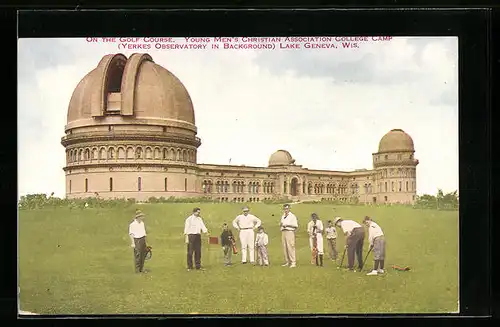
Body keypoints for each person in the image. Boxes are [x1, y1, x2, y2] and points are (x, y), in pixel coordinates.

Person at [280, 204, 298, 268]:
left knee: (290, 246)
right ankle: (287, 261)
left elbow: (295, 226)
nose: (286, 210)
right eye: (284, 209)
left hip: (289, 232)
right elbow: (281, 223)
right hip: (283, 231)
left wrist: (287, 225)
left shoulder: (292, 216)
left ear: (289, 209)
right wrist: (281, 225)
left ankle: (293, 262)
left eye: (287, 209)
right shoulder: (283, 216)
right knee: (285, 247)